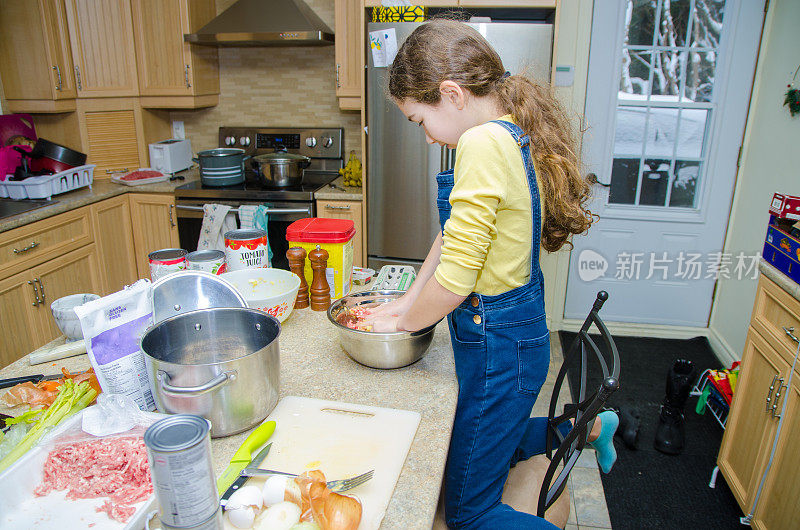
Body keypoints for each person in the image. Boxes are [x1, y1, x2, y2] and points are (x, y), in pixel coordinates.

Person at [362, 19, 619, 529]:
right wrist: (402, 305)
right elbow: (452, 238)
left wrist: (403, 326)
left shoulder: (480, 144)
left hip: (500, 347)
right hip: (512, 341)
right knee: (474, 435)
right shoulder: (508, 136)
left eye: (420, 120)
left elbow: (456, 282)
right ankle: (585, 427)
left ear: (451, 93)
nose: (426, 133)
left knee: (467, 513)